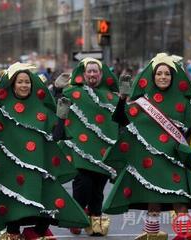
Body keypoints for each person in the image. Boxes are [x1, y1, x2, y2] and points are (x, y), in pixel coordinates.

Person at [102, 53, 191, 240]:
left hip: (174, 161)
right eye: (159, 73)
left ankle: (185, 236)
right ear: (152, 77)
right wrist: (122, 98)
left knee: (180, 203)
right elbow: (121, 119)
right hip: (151, 164)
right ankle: (152, 236)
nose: (163, 77)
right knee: (153, 204)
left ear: (173, 77)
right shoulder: (142, 103)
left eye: (167, 74)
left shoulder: (183, 104)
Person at [0, 62, 89, 239]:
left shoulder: (42, 109)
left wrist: (61, 117)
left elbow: (57, 136)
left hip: (40, 171)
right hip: (13, 175)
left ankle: (33, 234)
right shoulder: (3, 110)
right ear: (13, 85)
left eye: (27, 81)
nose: (24, 85)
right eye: (20, 82)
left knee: (48, 211)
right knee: (12, 218)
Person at [54, 57, 121, 236]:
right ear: (83, 74)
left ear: (101, 74)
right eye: (89, 71)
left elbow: (121, 118)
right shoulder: (74, 92)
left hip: (103, 151)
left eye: (95, 71)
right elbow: (59, 106)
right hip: (80, 150)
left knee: (98, 189)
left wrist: (125, 98)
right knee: (83, 184)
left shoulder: (110, 97)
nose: (92, 74)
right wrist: (57, 90)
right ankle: (77, 215)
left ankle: (95, 220)